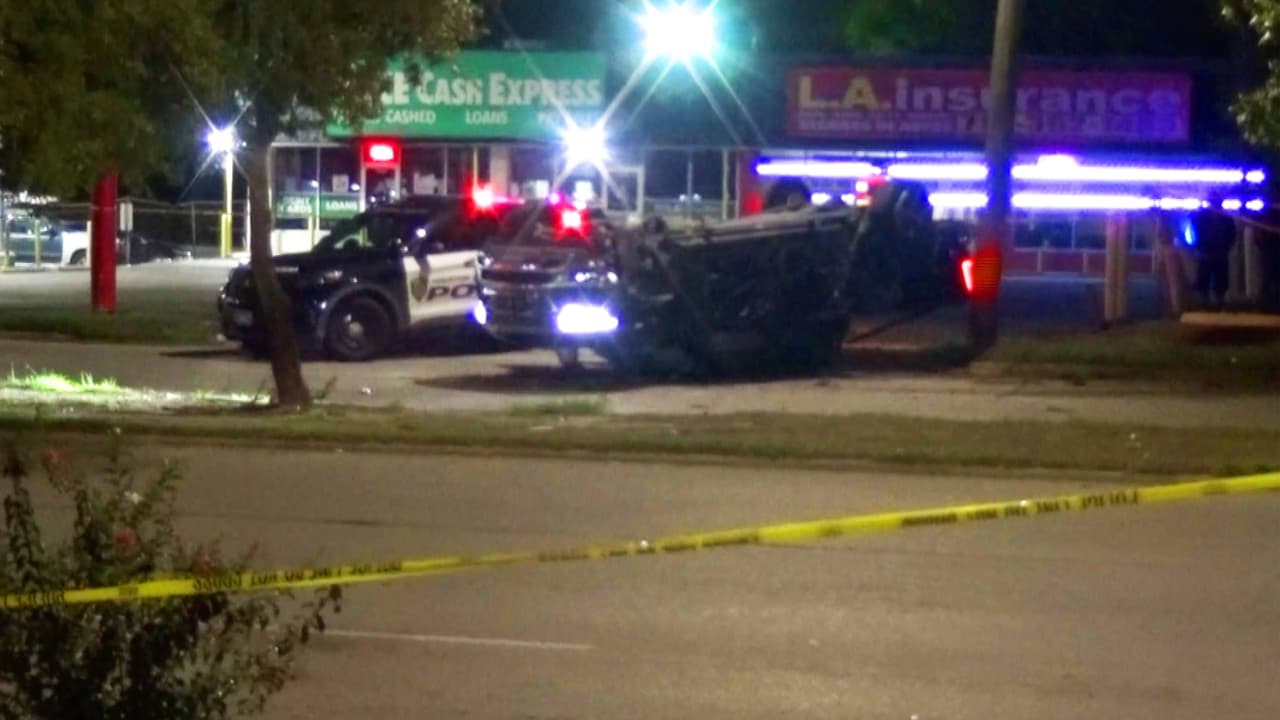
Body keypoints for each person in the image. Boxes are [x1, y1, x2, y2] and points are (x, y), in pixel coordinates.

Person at [1189, 200, 1237, 311]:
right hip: (1206, 251)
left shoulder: (1226, 218)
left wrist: (1227, 247)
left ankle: (1219, 301)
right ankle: (1205, 301)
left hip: (1220, 252)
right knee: (1204, 277)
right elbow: (1195, 228)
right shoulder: (1202, 217)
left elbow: (1231, 234)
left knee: (1220, 278)